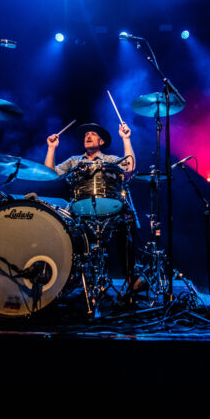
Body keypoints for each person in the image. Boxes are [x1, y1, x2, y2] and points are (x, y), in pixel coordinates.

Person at [44, 122, 142, 296]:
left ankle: (131, 277)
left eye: (93, 134)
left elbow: (129, 167)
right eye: (86, 135)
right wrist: (51, 148)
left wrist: (126, 139)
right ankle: (65, 277)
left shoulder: (109, 159)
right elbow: (49, 175)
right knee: (64, 230)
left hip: (108, 211)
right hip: (80, 212)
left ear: (102, 141)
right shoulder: (74, 160)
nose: (87, 136)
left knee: (125, 224)